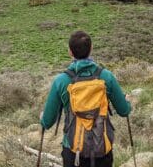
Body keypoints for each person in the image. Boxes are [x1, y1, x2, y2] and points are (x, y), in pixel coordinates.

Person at [40, 31, 131, 167]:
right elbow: (124, 111)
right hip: (102, 149)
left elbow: (47, 122)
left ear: (70, 52)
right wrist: (127, 102)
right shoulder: (107, 77)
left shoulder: (61, 81)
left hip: (72, 150)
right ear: (91, 49)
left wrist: (42, 118)